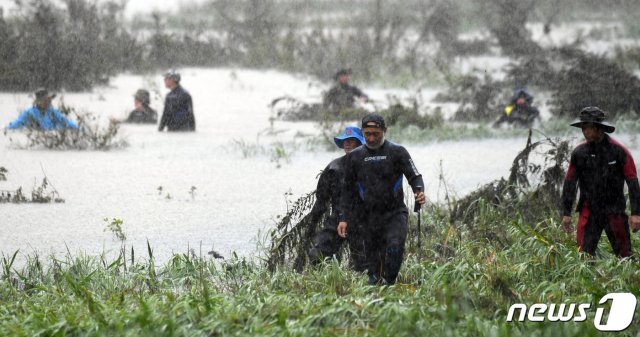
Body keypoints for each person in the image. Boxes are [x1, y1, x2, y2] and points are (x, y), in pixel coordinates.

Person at [337, 113, 426, 285]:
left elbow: (415, 176)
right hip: (369, 217)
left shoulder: (397, 152)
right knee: (374, 266)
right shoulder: (355, 157)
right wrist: (343, 218)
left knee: (394, 247)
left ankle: (390, 283)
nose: (371, 138)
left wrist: (419, 191)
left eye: (375, 134)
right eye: (367, 134)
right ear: (362, 132)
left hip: (394, 213)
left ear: (384, 131)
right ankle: (376, 291)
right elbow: (347, 191)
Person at [560, 106, 640, 258]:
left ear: (599, 128)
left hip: (614, 210)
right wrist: (566, 213)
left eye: (588, 127)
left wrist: (636, 214)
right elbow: (570, 183)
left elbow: (633, 182)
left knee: (625, 256)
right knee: (583, 256)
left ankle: (628, 280)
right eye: (583, 127)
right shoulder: (579, 153)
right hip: (589, 211)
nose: (585, 131)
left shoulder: (619, 151)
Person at [308, 126, 367, 271]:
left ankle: (361, 286)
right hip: (337, 218)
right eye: (345, 140)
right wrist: (312, 224)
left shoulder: (369, 166)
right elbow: (321, 200)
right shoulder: (334, 167)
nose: (347, 144)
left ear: (360, 143)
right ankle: (326, 282)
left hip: (362, 219)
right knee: (317, 254)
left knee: (363, 262)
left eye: (351, 140)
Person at [5, 88, 78, 130]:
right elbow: (16, 124)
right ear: (38, 102)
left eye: (49, 100)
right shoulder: (29, 113)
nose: (48, 102)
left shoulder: (53, 112)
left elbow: (66, 122)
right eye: (45, 100)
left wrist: (79, 129)